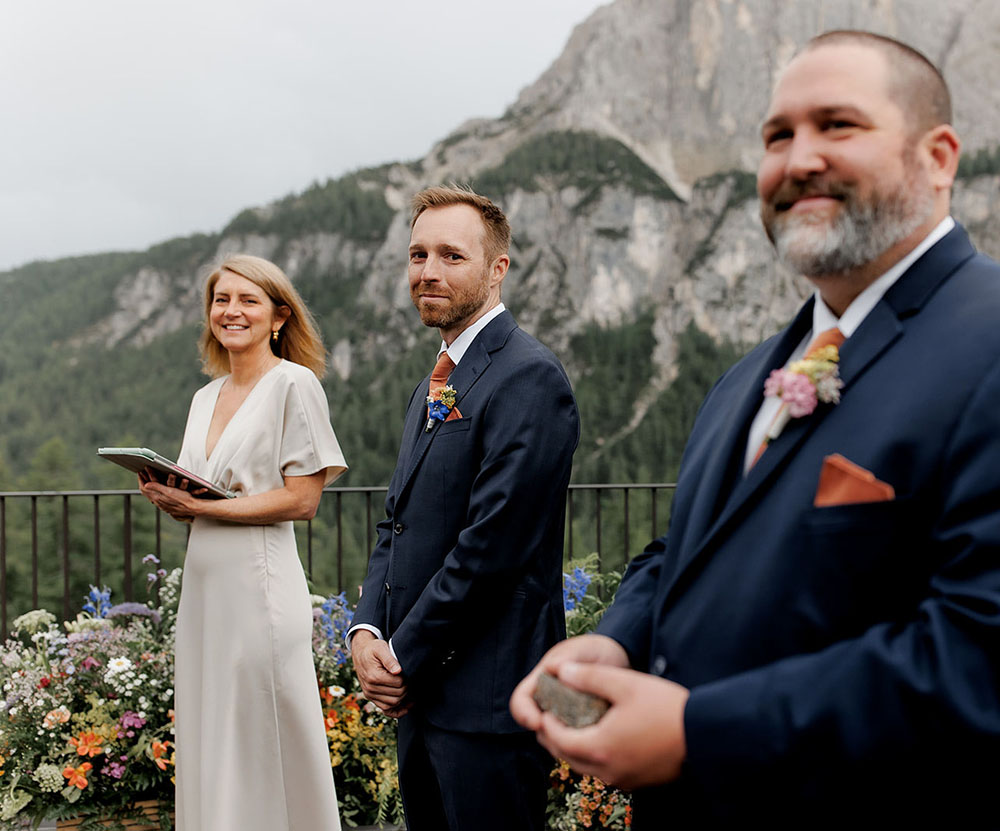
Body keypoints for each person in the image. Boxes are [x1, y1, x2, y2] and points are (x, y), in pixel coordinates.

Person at [511, 30, 1000, 827]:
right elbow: (689, 549)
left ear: (938, 157)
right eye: (777, 135)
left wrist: (695, 732)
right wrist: (622, 640)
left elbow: (978, 657)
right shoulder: (749, 375)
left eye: (837, 125)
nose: (798, 158)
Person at [349, 186, 580, 831]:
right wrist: (367, 630)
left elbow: (492, 547)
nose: (428, 271)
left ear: (497, 268)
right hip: (422, 701)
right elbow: (395, 520)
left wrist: (402, 657)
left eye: (451, 255)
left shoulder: (530, 376)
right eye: (418, 254)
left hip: (486, 701)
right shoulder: (436, 380)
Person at [138, 254, 346, 831]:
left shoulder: (293, 383)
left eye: (248, 300)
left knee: (263, 731)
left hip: (259, 585)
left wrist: (206, 507)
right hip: (206, 589)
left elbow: (303, 499)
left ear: (279, 315)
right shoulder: (205, 397)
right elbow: (199, 498)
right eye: (221, 299)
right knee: (212, 730)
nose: (231, 311)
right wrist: (172, 497)